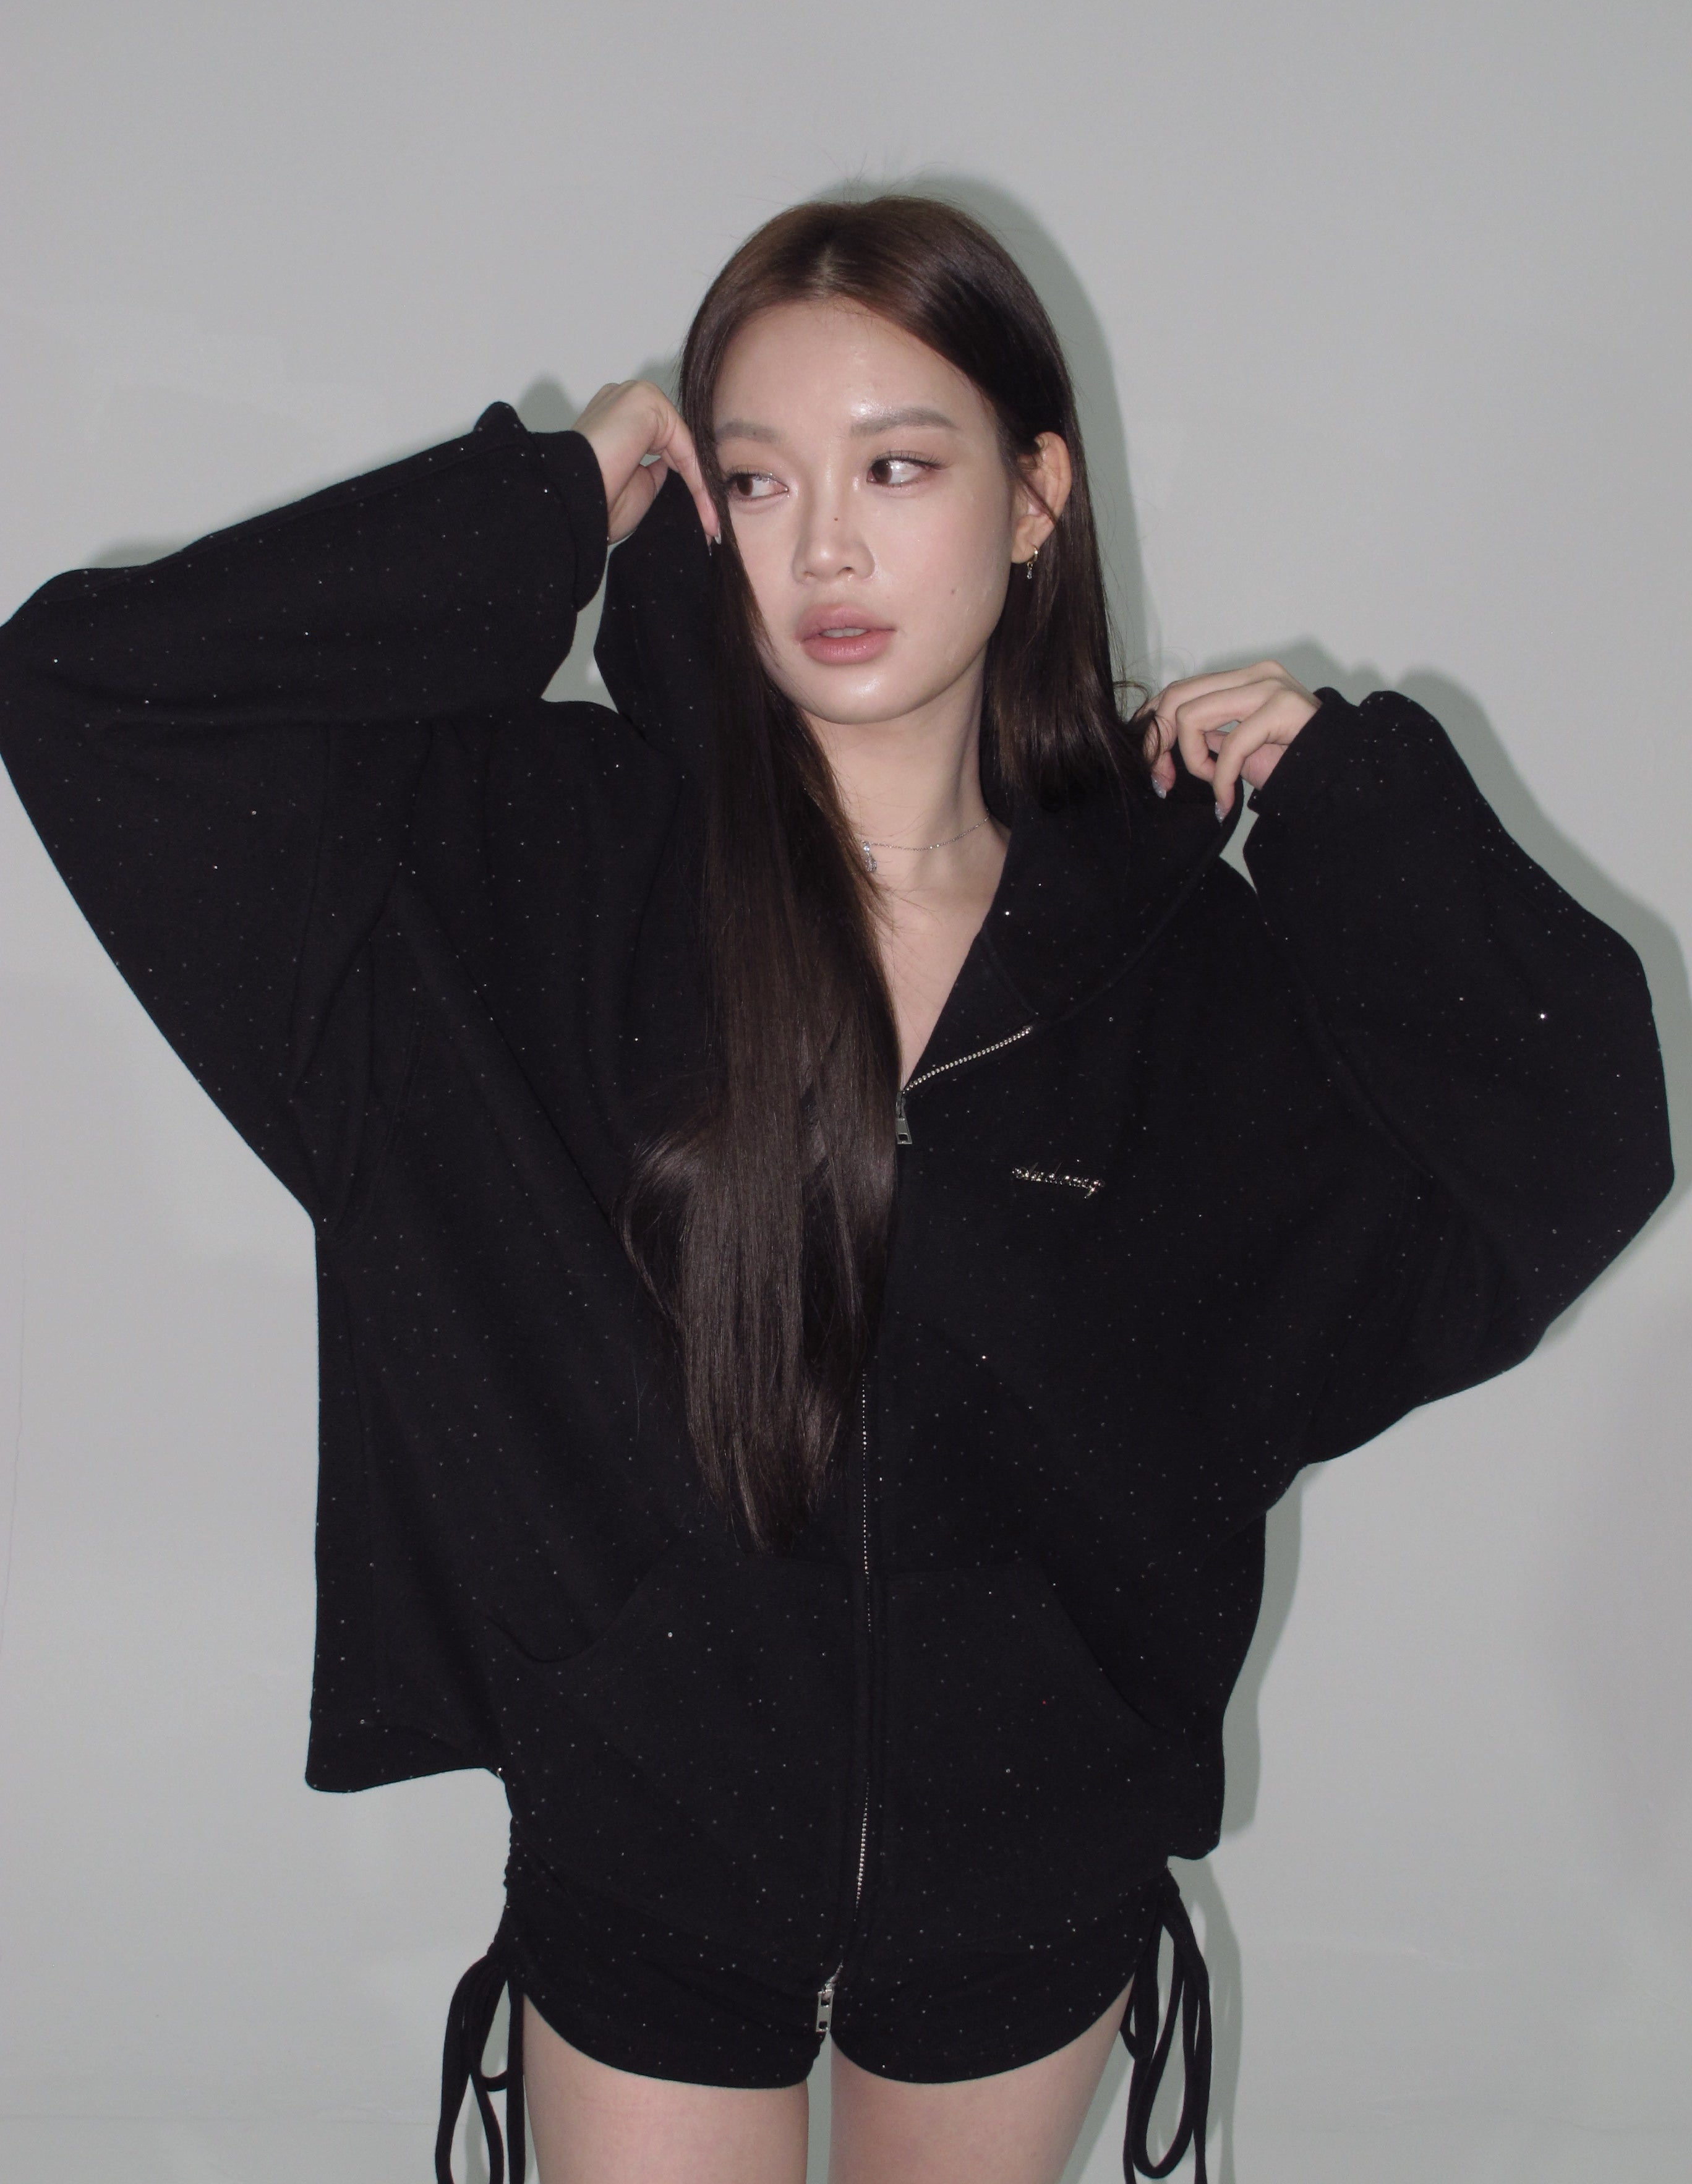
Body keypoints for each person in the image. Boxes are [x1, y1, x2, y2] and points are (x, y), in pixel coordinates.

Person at [0, 195, 1671, 2184]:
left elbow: (1576, 1139)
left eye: (898, 466)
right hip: (648, 1852)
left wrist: (1353, 811)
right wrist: (541, 508)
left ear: (1036, 495)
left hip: (1033, 1868)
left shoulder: (1179, 958)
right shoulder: (539, 870)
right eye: (760, 477)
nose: (827, 549)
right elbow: (85, 692)